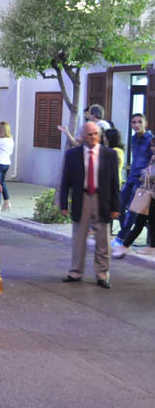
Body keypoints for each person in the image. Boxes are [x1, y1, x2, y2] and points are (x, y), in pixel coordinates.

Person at [59, 122, 120, 289]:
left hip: (102, 199)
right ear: (82, 137)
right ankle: (75, 272)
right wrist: (63, 203)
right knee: (79, 238)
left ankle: (102, 275)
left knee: (103, 240)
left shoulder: (110, 155)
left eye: (95, 134)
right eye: (89, 134)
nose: (93, 137)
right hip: (82, 198)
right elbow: (65, 181)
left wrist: (116, 207)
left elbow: (115, 182)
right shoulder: (72, 155)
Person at [112, 113, 153, 254]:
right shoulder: (134, 138)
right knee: (119, 206)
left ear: (145, 123)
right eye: (134, 122)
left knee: (132, 211)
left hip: (141, 181)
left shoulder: (151, 139)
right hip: (130, 178)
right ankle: (128, 235)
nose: (136, 125)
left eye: (139, 122)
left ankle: (122, 237)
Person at [0, 121, 14, 211]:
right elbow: (11, 152)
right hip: (7, 163)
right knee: (3, 182)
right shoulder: (10, 140)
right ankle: (7, 201)